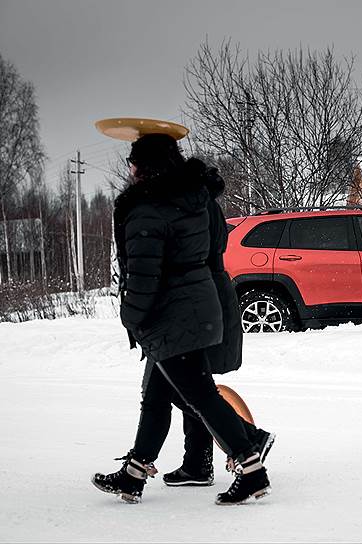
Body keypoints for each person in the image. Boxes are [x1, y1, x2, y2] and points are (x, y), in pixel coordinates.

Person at [91, 133, 271, 505]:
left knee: (201, 396)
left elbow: (144, 275)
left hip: (170, 314)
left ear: (144, 166)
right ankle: (134, 475)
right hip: (198, 304)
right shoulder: (193, 200)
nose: (131, 169)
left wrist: (132, 317)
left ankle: (251, 463)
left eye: (133, 162)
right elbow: (208, 251)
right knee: (157, 395)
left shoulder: (147, 209)